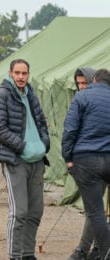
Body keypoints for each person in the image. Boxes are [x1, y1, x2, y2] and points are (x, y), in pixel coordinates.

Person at [0, 59, 50, 260]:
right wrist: (23, 147)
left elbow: (41, 122)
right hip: (16, 160)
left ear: (28, 75)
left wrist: (43, 143)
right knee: (19, 212)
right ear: (10, 73)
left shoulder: (31, 95)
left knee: (35, 212)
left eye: (24, 73)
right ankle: (15, 256)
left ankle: (28, 254)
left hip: (37, 161)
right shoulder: (0, 95)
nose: (21, 77)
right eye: (17, 73)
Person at [62, 68, 110, 260]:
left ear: (94, 79)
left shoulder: (81, 98)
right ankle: (97, 251)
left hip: (86, 160)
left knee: (95, 212)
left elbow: (70, 131)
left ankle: (105, 251)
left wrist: (68, 159)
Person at [67, 67, 100, 260]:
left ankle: (88, 248)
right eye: (78, 84)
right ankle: (88, 248)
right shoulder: (78, 103)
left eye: (84, 83)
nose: (81, 87)